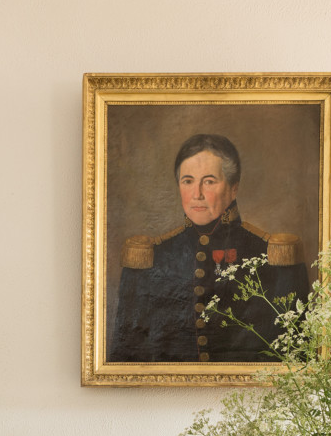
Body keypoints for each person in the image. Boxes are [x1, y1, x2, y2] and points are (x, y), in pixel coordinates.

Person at [108, 133, 310, 363]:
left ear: (233, 188)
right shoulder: (151, 258)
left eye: (209, 181)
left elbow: (296, 357)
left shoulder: (273, 256)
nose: (197, 194)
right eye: (188, 181)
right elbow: (128, 357)